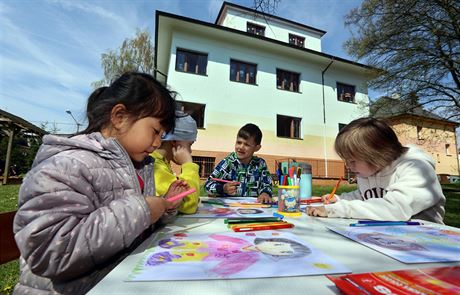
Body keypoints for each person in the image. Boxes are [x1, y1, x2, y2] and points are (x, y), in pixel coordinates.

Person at [13, 72, 190, 294]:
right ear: (119, 116)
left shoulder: (139, 165)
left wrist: (164, 206)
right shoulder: (68, 165)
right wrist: (143, 210)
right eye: (155, 131)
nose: (156, 143)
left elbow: (133, 229)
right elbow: (50, 252)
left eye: (162, 136)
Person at [306, 117, 445, 224]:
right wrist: (339, 199)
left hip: (429, 243)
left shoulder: (416, 167)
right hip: (389, 237)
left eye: (352, 161)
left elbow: (396, 208)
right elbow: (365, 196)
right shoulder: (371, 169)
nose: (348, 166)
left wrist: (338, 209)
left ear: (377, 155)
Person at [205, 123, 273, 203]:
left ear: (257, 148)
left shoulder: (260, 164)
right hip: (229, 210)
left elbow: (267, 184)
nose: (241, 147)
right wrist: (223, 188)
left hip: (253, 209)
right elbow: (207, 185)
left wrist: (265, 193)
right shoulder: (228, 163)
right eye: (239, 142)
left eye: (246, 144)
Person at [151, 111, 200, 214]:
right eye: (189, 145)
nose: (190, 151)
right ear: (175, 141)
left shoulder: (162, 162)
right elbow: (189, 204)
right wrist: (188, 164)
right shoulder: (155, 166)